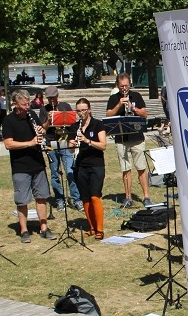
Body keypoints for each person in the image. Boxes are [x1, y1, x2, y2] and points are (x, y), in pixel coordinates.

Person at [2, 89, 57, 243]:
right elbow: (8, 144)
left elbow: (41, 131)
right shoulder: (8, 120)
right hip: (20, 166)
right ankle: (24, 230)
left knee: (41, 197)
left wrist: (43, 127)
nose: (27, 107)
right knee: (22, 199)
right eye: (23, 105)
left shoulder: (31, 115)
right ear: (15, 104)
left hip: (37, 162)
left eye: (28, 104)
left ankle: (44, 227)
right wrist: (29, 143)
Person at [106, 73, 152, 208]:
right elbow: (108, 115)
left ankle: (146, 196)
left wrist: (134, 108)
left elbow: (145, 114)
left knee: (141, 167)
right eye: (121, 86)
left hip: (137, 137)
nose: (124, 88)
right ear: (117, 86)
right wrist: (119, 105)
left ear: (130, 85)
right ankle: (128, 197)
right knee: (126, 168)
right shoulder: (114, 98)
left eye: (126, 86)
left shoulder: (136, 96)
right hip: (121, 138)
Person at [39, 85, 82, 212]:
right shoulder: (43, 110)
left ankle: (77, 199)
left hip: (65, 142)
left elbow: (73, 124)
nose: (52, 100)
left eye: (54, 97)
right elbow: (43, 129)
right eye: (49, 98)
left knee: (70, 172)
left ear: (58, 96)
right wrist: (48, 118)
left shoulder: (65, 106)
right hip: (51, 144)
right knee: (55, 174)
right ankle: (59, 199)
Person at [71, 98, 107, 239]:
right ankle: (91, 227)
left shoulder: (98, 124)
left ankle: (100, 229)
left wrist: (87, 141)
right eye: (78, 111)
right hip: (81, 165)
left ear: (89, 110)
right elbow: (69, 149)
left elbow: (103, 145)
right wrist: (73, 144)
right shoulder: (75, 127)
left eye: (83, 110)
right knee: (85, 198)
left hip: (96, 165)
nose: (81, 113)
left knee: (94, 196)